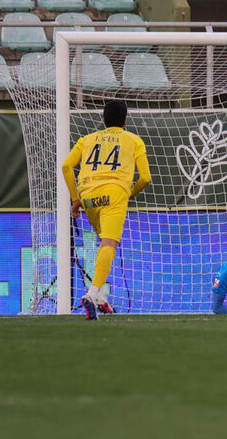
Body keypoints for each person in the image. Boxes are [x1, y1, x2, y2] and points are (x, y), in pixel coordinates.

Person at [61, 100, 151, 320]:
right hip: (115, 193)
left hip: (89, 197)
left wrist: (75, 199)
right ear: (126, 121)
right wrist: (129, 193)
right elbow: (146, 178)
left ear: (103, 119)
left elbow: (66, 166)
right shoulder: (134, 140)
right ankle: (92, 295)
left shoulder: (86, 139)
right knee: (109, 243)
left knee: (103, 243)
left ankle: (101, 297)